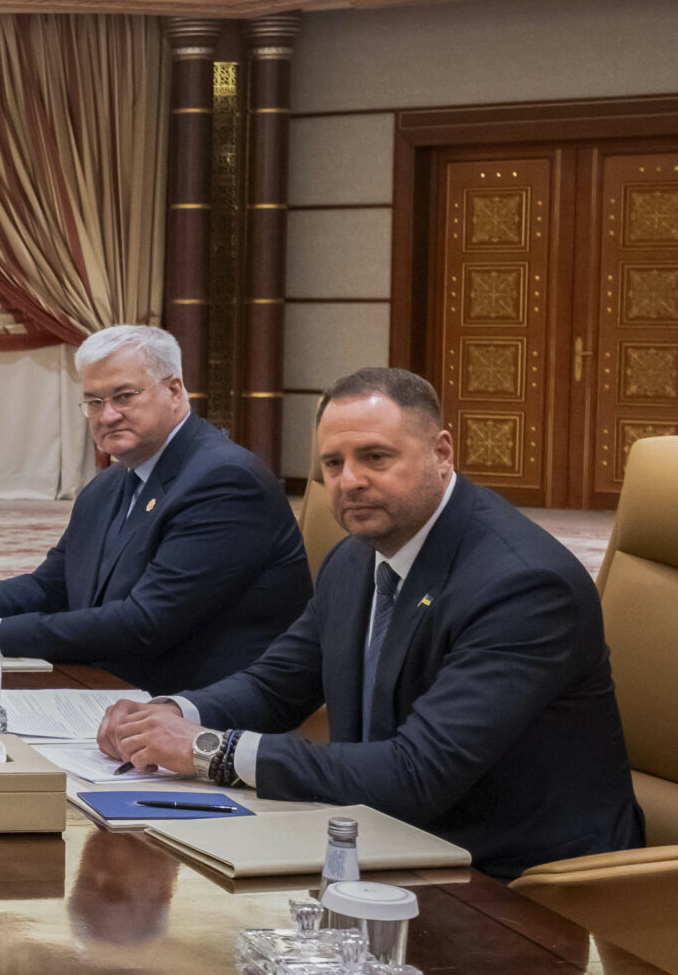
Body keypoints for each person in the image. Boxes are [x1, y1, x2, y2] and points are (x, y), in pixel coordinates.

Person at [100, 367, 643, 880]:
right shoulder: (358, 555)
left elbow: (417, 774)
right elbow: (278, 684)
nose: (349, 481)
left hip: (509, 878)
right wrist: (169, 714)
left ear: (442, 453)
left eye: (375, 457)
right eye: (333, 464)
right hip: (383, 841)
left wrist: (210, 750)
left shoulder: (522, 585)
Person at [0, 324, 310, 694]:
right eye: (93, 401)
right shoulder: (112, 481)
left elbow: (146, 623)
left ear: (174, 389)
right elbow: (52, 586)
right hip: (114, 685)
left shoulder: (223, 482)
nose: (107, 415)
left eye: (124, 396)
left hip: (199, 708)